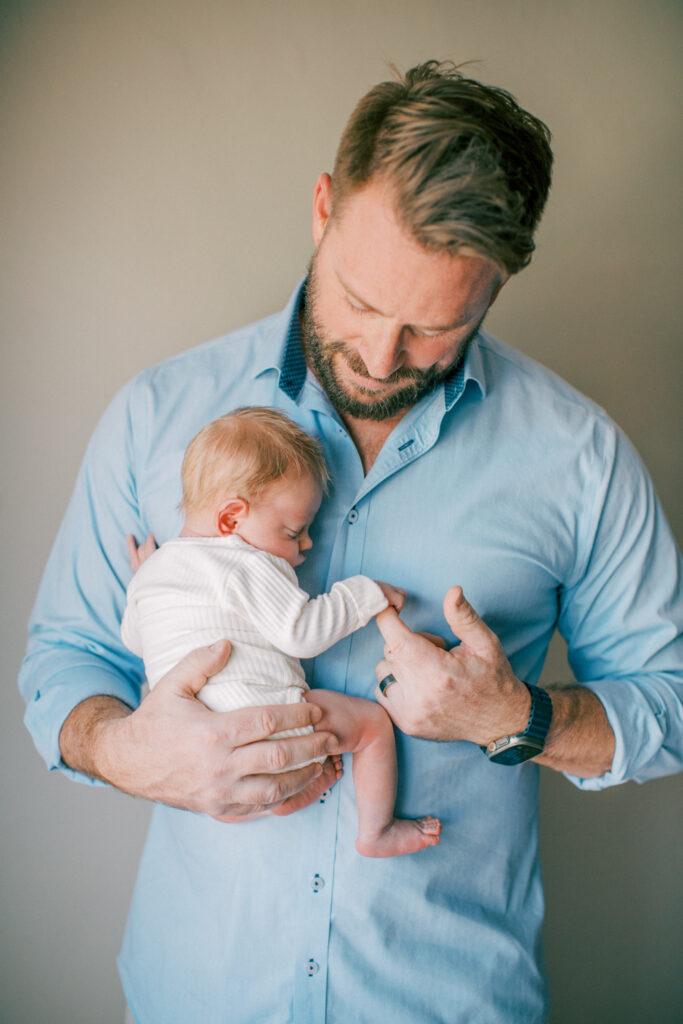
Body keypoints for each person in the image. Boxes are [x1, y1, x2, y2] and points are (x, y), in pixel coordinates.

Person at [19, 61, 682, 1023]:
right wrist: (123, 750)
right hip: (200, 994)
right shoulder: (155, 414)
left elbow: (671, 700)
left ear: (499, 281)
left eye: (434, 328)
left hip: (446, 1000)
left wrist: (515, 716)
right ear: (322, 209)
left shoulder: (579, 457)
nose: (379, 358)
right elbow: (65, 659)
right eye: (361, 303)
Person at [121, 405, 440, 857]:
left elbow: (135, 641)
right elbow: (302, 633)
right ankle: (376, 831)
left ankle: (284, 798)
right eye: (294, 532)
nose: (306, 544)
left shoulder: (149, 577)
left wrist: (144, 581)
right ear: (231, 520)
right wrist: (363, 596)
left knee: (225, 796)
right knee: (372, 726)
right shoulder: (245, 560)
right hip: (271, 724)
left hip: (203, 748)